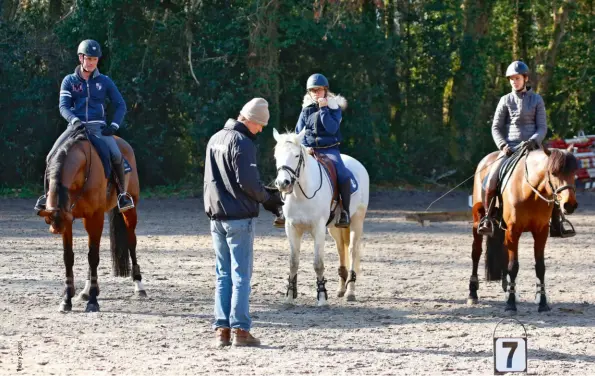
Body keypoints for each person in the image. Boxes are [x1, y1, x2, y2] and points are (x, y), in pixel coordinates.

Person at [203, 98, 284, 348]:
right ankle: (240, 330)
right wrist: (269, 200)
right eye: (259, 124)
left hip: (216, 216)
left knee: (222, 275)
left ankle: (221, 331)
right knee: (240, 275)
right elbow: (247, 183)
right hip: (239, 218)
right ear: (248, 119)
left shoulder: (215, 138)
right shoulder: (242, 142)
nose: (260, 129)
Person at [34, 39, 133, 213]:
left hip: (98, 128)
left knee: (117, 156)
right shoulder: (69, 81)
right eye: (88, 59)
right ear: (81, 58)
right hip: (75, 127)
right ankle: (46, 195)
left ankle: (122, 196)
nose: (92, 63)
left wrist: (114, 125)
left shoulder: (105, 81)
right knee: (51, 156)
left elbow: (120, 105)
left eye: (95, 59)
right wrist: (74, 121)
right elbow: (63, 106)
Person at [477, 61, 546, 236]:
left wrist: (534, 140)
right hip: (510, 148)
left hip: (533, 149)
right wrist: (503, 145)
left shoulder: (537, 99)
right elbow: (496, 127)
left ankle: (556, 220)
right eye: (511, 79)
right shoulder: (505, 100)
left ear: (525, 78)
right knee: (491, 179)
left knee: (552, 176)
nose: (514, 82)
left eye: (517, 78)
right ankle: (489, 218)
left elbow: (542, 127)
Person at [275, 73, 350, 228]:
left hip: (329, 150)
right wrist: (302, 146)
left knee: (343, 174)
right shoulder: (306, 110)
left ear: (325, 90)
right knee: (289, 168)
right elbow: (298, 131)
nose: (316, 93)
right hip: (309, 150)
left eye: (319, 90)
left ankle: (345, 212)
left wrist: (323, 109)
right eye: (313, 90)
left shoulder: (334, 108)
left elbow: (331, 128)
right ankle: (283, 210)